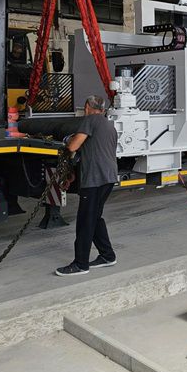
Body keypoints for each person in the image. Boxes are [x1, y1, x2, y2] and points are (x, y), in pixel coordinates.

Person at [55, 96, 119, 276]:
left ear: (88, 107)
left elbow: (73, 146)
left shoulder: (89, 120)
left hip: (94, 179)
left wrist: (68, 140)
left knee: (85, 220)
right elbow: (95, 149)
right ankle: (107, 255)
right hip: (108, 177)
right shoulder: (109, 125)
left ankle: (80, 264)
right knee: (95, 217)